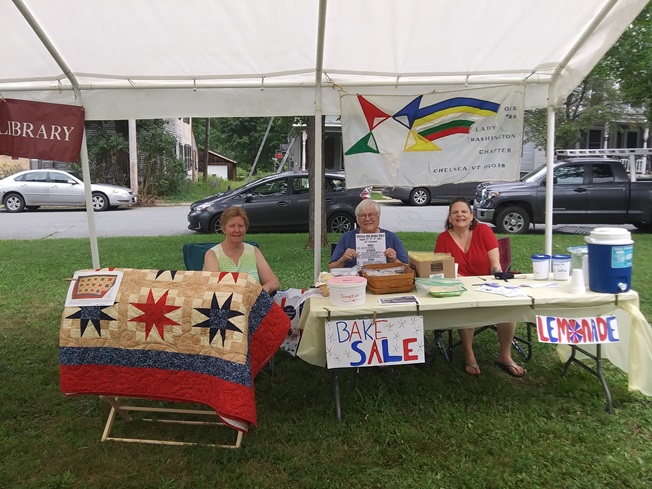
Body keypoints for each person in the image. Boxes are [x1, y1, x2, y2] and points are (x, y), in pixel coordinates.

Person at [434, 197, 526, 378]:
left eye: (464, 211)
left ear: (471, 215)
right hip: (459, 287)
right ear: (450, 218)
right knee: (466, 309)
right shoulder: (443, 238)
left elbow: (495, 263)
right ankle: (469, 355)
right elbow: (441, 268)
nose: (460, 215)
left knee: (508, 309)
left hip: (487, 284)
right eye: (455, 212)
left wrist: (497, 275)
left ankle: (505, 356)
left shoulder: (483, 231)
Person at [203, 206, 280, 294]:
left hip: (255, 299)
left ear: (245, 228)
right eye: (232, 226)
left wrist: (263, 290)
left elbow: (274, 282)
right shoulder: (212, 254)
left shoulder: (254, 251)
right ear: (224, 229)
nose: (237, 230)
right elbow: (214, 287)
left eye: (240, 226)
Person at [329, 200, 409, 269]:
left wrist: (394, 260)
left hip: (383, 279)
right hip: (354, 280)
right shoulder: (346, 238)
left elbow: (407, 268)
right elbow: (331, 269)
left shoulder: (391, 238)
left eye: (371, 214)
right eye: (363, 215)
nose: (367, 219)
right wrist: (343, 259)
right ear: (357, 219)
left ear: (378, 217)